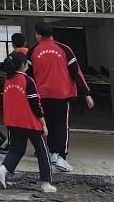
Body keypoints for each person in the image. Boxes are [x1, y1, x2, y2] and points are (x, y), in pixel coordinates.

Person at [27, 22, 93, 173]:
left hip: (42, 96)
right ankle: (61, 157)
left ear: (38, 35)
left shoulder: (33, 51)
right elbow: (76, 72)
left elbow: (27, 76)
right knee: (62, 126)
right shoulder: (64, 49)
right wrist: (86, 94)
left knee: (48, 125)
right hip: (63, 95)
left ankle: (52, 153)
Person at [0, 52, 56, 194]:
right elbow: (36, 104)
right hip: (31, 123)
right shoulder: (27, 80)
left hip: (13, 123)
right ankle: (46, 183)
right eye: (26, 62)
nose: (28, 64)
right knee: (42, 152)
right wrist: (43, 123)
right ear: (23, 65)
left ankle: (3, 168)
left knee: (16, 150)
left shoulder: (7, 81)